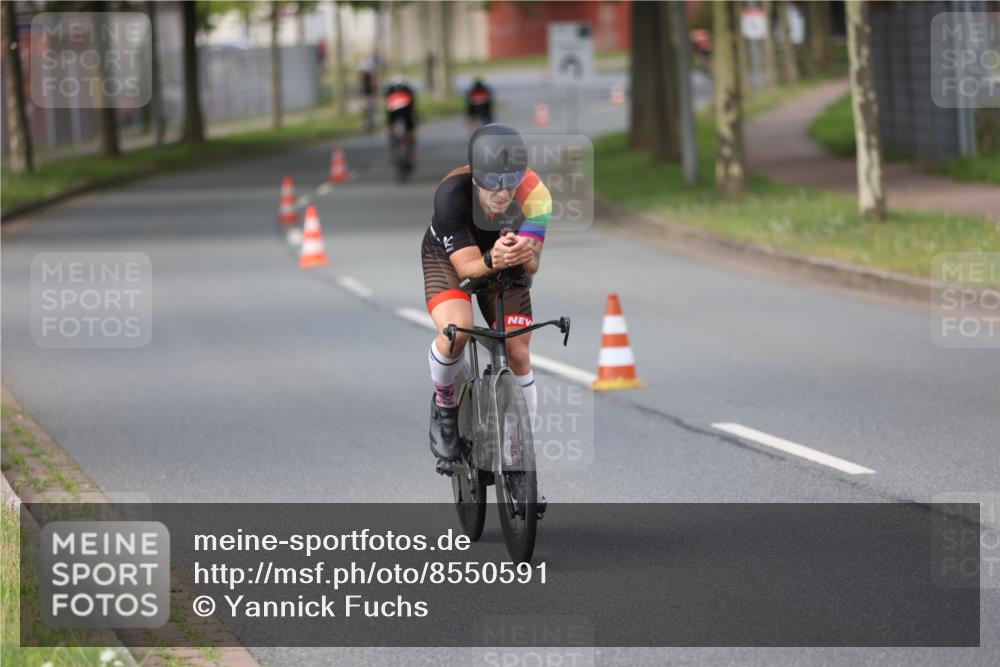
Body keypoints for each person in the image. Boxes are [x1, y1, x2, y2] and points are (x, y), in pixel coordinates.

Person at [420, 124, 551, 506]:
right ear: (475, 176)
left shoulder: (536, 196)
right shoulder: (450, 195)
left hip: (503, 256)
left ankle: (520, 454)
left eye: (510, 183)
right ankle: (445, 404)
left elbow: (535, 266)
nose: (502, 193)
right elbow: (467, 268)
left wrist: (523, 250)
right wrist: (494, 257)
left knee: (519, 352)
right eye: (492, 183)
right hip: (450, 258)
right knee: (455, 331)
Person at [384, 75, 417, 159]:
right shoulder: (407, 88)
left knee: (390, 121)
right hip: (405, 111)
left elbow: (387, 100)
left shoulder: (390, 89)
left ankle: (392, 136)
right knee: (410, 124)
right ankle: (410, 141)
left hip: (393, 110)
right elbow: (412, 102)